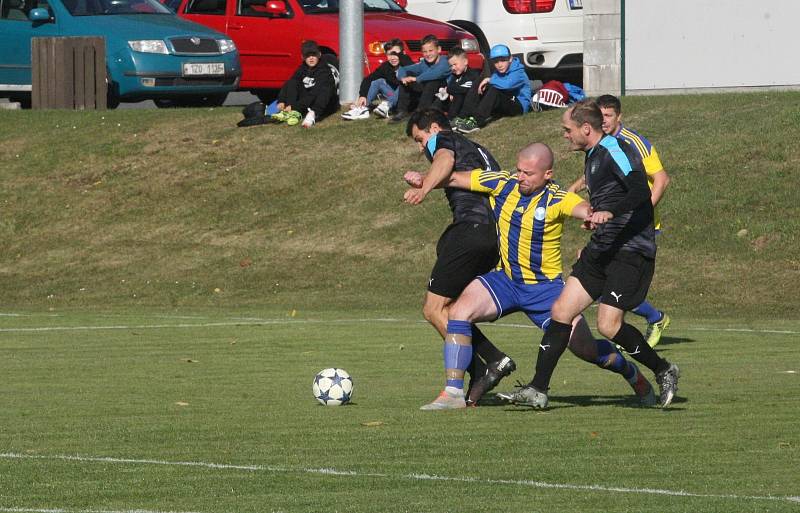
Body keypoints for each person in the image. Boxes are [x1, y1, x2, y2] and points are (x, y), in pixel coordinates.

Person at [406, 143, 657, 410]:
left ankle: (631, 372)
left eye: (528, 173)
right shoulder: (502, 183)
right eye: (519, 170)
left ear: (547, 174)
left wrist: (593, 217)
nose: (521, 177)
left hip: (546, 291)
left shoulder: (558, 198)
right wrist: (424, 181)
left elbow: (584, 208)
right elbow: (454, 177)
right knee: (458, 312)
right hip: (505, 282)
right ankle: (453, 392)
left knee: (587, 349)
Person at [517, 100, 680, 410]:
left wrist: (609, 211)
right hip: (602, 247)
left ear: (586, 129)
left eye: (568, 129)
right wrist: (596, 218)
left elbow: (639, 191)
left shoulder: (614, 149)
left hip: (630, 250)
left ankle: (663, 369)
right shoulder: (592, 156)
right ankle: (538, 389)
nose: (565, 135)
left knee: (608, 326)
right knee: (562, 312)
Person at [402, 108, 517, 405]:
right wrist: (427, 178)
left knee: (433, 308)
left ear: (436, 127)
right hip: (493, 235)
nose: (420, 147)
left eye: (420, 138)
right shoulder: (479, 149)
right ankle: (489, 362)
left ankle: (486, 363)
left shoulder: (446, 139)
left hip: (471, 230)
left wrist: (425, 187)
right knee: (454, 308)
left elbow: (444, 160)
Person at [568, 94, 672, 348]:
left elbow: (661, 179)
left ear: (619, 116)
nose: (602, 121)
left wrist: (638, 212)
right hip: (613, 225)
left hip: (635, 226)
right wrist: (574, 191)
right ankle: (627, 328)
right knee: (606, 283)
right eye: (599, 115)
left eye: (608, 116)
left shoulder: (633, 142)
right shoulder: (598, 147)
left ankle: (649, 321)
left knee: (619, 284)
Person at [453, 44, 532, 134]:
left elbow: (507, 85)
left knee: (494, 89)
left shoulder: (519, 71)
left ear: (510, 59)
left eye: (503, 60)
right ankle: (464, 116)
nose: (499, 65)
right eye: (496, 62)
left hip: (519, 107)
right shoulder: (498, 72)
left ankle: (476, 121)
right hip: (505, 103)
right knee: (481, 84)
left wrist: (489, 80)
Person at [271, 40, 338, 128]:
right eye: (307, 55)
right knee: (293, 82)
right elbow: (290, 82)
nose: (311, 58)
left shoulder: (325, 71)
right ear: (302, 57)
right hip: (306, 103)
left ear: (319, 55)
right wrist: (282, 100)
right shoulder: (302, 68)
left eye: (314, 55)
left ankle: (311, 114)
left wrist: (294, 106)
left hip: (323, 105)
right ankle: (293, 114)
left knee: (325, 88)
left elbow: (314, 94)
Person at [341, 39, 413, 120]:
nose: (393, 58)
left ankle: (387, 105)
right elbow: (368, 79)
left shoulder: (408, 63)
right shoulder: (386, 67)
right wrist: (363, 95)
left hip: (407, 100)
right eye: (389, 54)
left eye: (395, 54)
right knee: (378, 82)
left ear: (403, 53)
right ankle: (363, 108)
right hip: (392, 96)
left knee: (403, 82)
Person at [389, 35, 450, 123]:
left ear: (439, 49)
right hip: (428, 95)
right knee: (407, 77)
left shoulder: (445, 61)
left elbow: (437, 73)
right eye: (425, 52)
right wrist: (403, 78)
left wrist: (416, 78)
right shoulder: (423, 63)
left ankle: (420, 113)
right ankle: (402, 111)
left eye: (431, 50)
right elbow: (404, 69)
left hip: (444, 97)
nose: (428, 54)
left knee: (433, 81)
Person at [431, 47, 482, 123]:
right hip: (456, 107)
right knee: (441, 98)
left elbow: (465, 89)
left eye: (455, 64)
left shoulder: (472, 74)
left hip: (469, 107)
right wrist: (446, 96)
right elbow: (452, 88)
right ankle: (430, 117)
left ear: (465, 62)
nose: (453, 68)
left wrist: (449, 90)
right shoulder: (454, 76)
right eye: (451, 66)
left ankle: (451, 119)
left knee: (459, 94)